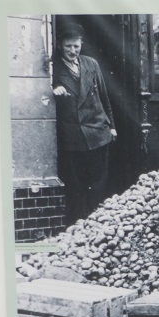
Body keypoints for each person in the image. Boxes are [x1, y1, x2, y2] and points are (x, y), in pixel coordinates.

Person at [52, 23, 117, 223]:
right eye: (68, 46)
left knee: (98, 182)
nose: (73, 51)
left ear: (82, 45)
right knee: (76, 184)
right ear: (60, 45)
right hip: (74, 137)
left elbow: (104, 98)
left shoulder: (92, 64)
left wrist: (112, 126)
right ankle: (78, 224)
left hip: (98, 131)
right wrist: (53, 89)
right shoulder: (54, 69)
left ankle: (96, 222)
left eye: (76, 46)